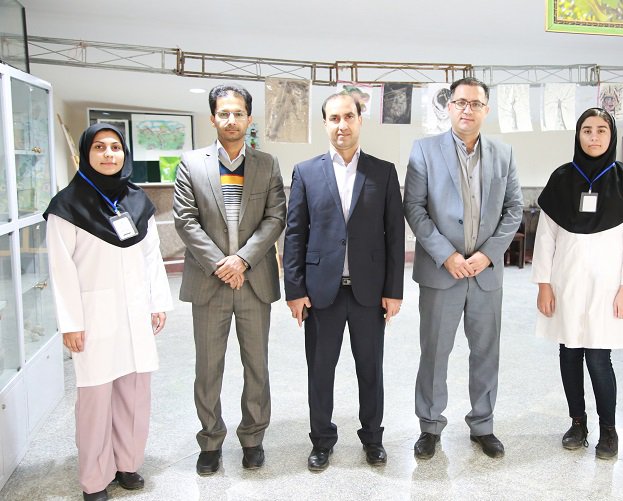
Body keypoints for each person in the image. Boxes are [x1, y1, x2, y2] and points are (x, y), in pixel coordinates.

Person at [46, 123, 172, 501]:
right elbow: (61, 270)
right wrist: (70, 323)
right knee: (95, 401)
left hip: (135, 313)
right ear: (86, 154)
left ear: (124, 154)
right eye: (99, 147)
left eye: (115, 147)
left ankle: (128, 463)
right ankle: (94, 478)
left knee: (134, 394)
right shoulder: (66, 206)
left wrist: (157, 302)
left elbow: (151, 257)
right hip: (93, 317)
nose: (108, 154)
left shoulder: (137, 201)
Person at [283, 92, 405, 471]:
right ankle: (322, 440)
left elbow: (395, 235)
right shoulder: (306, 172)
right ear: (325, 124)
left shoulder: (383, 172)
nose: (342, 125)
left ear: (359, 120)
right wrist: (294, 291)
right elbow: (294, 235)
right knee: (320, 371)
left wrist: (394, 291)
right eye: (334, 118)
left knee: (371, 370)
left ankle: (372, 438)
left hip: (369, 293)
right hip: (322, 293)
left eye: (349, 116)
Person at [404, 77, 523, 459]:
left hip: (486, 274)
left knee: (486, 353)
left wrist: (488, 254)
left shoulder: (503, 154)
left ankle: (483, 425)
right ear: (449, 107)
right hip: (442, 273)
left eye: (475, 103)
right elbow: (414, 208)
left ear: (486, 109)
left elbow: (514, 209)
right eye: (460, 102)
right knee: (434, 353)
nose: (467, 109)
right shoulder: (424, 151)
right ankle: (429, 426)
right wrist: (447, 255)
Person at [173, 83, 286, 475]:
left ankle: (253, 438)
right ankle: (210, 440)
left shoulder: (267, 164)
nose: (232, 120)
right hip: (210, 282)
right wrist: (221, 263)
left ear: (249, 118)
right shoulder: (191, 163)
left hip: (253, 281)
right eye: (224, 113)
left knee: (257, 365)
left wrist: (242, 260)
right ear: (213, 118)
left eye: (239, 113)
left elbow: (276, 217)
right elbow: (185, 220)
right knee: (208, 368)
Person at [532, 108, 623, 460]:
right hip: (565, 282)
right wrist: (543, 284)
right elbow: (546, 237)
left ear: (611, 135)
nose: (594, 137)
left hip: (608, 287)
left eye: (601, 130)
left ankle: (609, 430)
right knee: (569, 353)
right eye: (587, 130)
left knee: (599, 359)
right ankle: (577, 423)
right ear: (578, 135)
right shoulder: (561, 178)